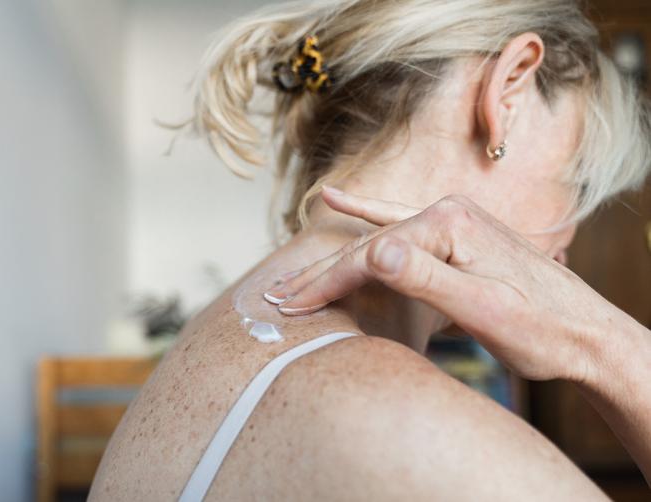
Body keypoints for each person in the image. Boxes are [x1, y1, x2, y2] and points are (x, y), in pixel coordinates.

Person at [89, 0, 651, 499]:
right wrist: (603, 343)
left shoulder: (212, 342)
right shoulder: (417, 430)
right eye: (578, 182)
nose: (567, 245)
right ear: (509, 90)